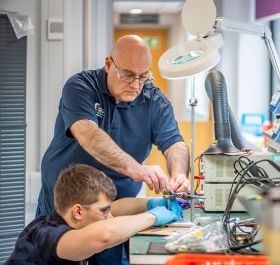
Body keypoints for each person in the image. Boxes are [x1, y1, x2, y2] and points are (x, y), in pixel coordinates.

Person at [36, 35, 190, 264]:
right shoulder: (81, 86)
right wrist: (135, 169)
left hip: (115, 211)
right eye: (127, 74)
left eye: (143, 76)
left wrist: (178, 173)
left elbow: (175, 144)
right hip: (65, 207)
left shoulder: (155, 101)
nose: (136, 85)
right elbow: (88, 134)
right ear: (109, 64)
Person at [6, 164, 182, 265]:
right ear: (78, 211)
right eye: (104, 211)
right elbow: (103, 236)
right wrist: (152, 216)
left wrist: (151, 203)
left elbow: (115, 208)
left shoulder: (69, 221)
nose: (110, 216)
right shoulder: (45, 234)